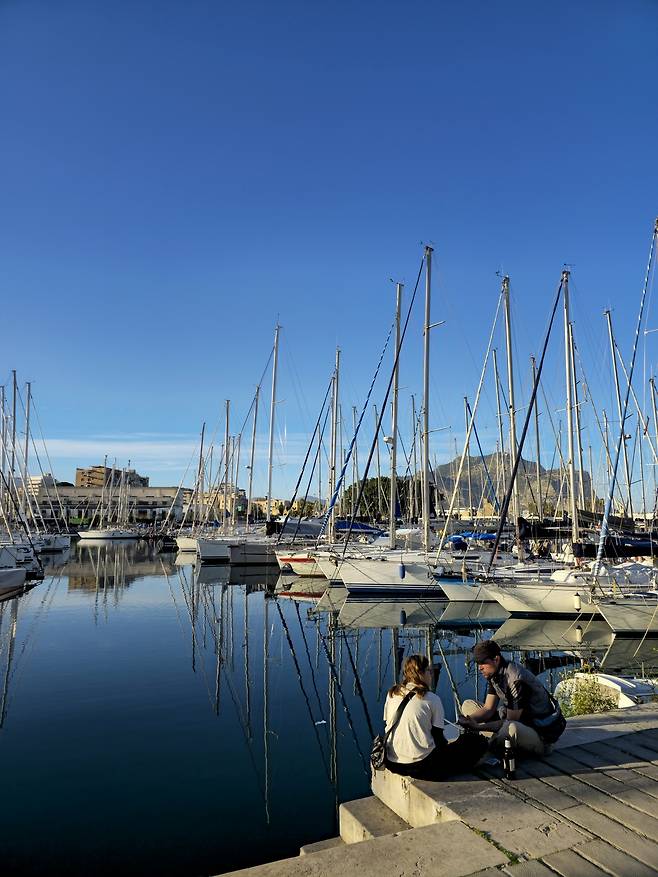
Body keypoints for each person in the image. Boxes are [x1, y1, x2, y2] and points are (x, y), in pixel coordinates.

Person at [384, 654, 487, 780]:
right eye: (428, 670)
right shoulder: (432, 699)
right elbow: (438, 738)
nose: (431, 674)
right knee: (475, 741)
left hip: (393, 763)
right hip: (422, 766)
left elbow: (389, 724)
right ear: (420, 673)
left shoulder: (392, 694)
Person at [458, 639, 558, 756]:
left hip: (538, 734)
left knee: (510, 728)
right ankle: (495, 740)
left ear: (496, 659)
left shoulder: (516, 680)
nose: (480, 668)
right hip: (513, 722)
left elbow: (511, 721)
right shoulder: (494, 673)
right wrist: (469, 720)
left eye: (483, 663)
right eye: (478, 664)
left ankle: (490, 746)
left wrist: (478, 727)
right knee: (468, 705)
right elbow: (488, 709)